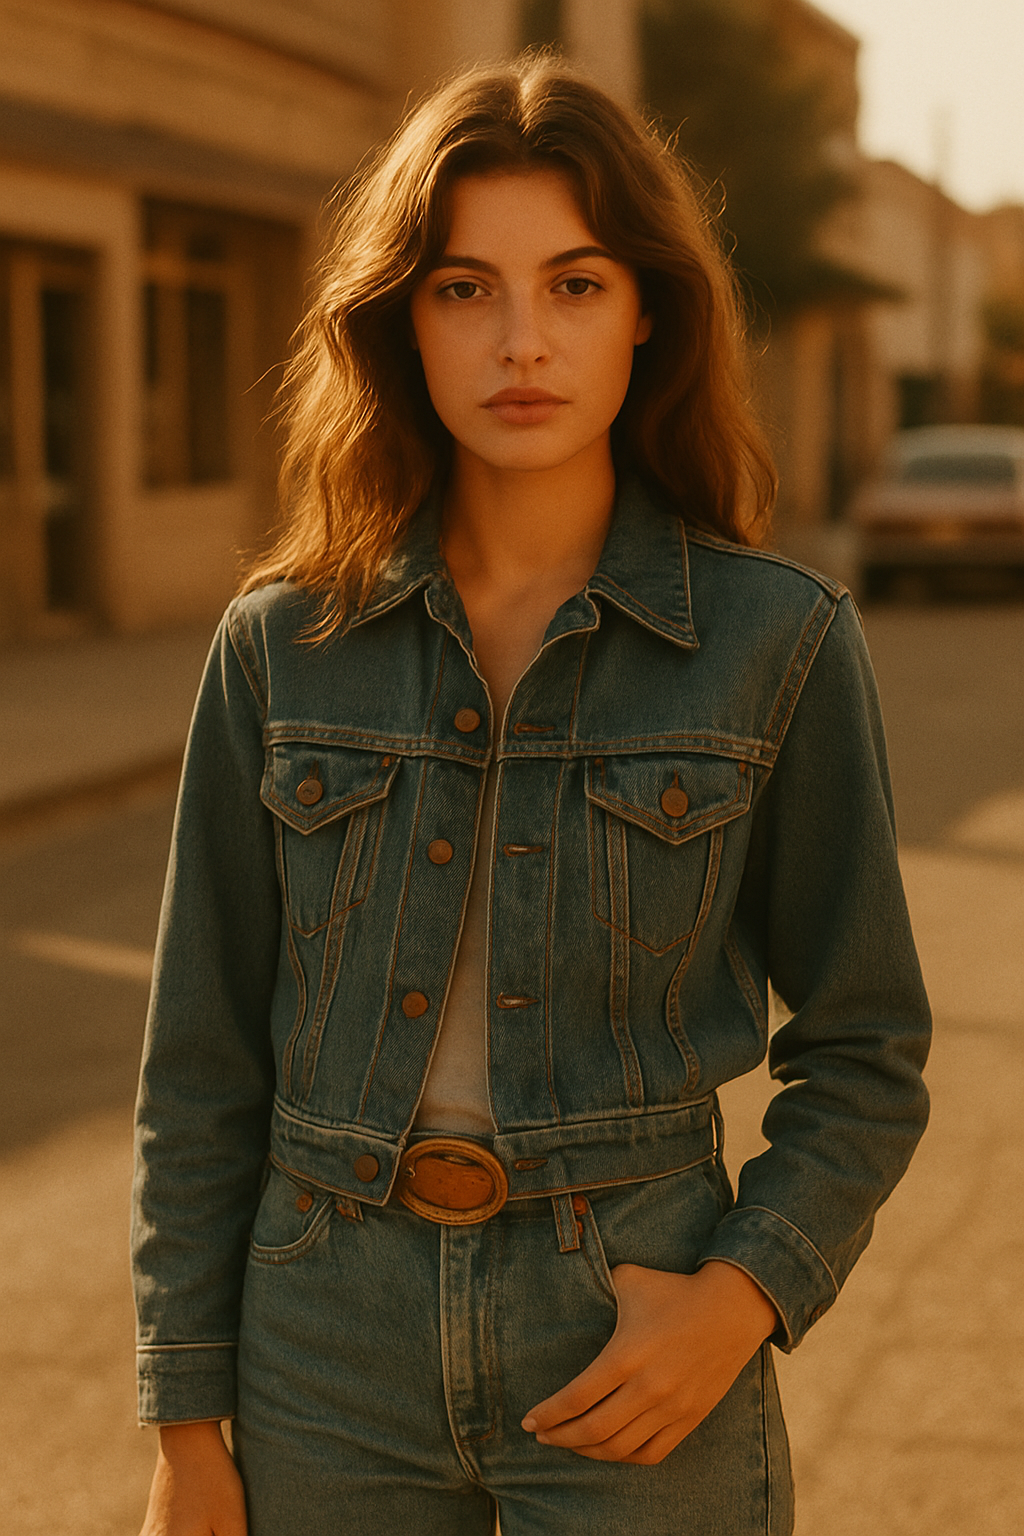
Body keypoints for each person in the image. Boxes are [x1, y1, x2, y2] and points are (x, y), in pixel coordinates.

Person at [132, 53, 931, 1536]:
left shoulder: (780, 642)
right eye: (462, 289)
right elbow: (199, 1068)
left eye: (573, 285)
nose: (520, 342)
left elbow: (870, 1050)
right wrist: (186, 1422)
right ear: (402, 322)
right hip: (324, 1339)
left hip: (634, 1315)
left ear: (649, 312)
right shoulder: (281, 646)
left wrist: (744, 1296)